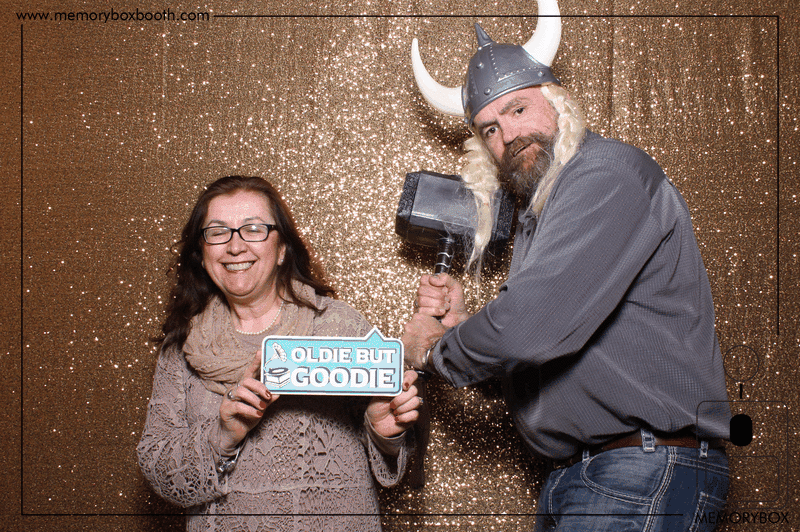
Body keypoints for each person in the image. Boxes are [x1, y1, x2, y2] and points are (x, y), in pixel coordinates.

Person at [402, 1, 731, 530]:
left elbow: (528, 328)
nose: (508, 136)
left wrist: (434, 349)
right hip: (592, 476)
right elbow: (548, 354)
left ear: (557, 99)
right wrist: (463, 329)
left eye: (517, 110)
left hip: (639, 471)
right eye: (489, 129)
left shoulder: (605, 175)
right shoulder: (543, 210)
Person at [138, 175, 421, 531]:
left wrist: (384, 432)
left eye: (253, 229)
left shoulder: (340, 326)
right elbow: (159, 470)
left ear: (282, 249)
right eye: (218, 232)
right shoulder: (182, 346)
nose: (235, 246)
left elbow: (396, 460)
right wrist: (222, 436)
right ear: (202, 252)